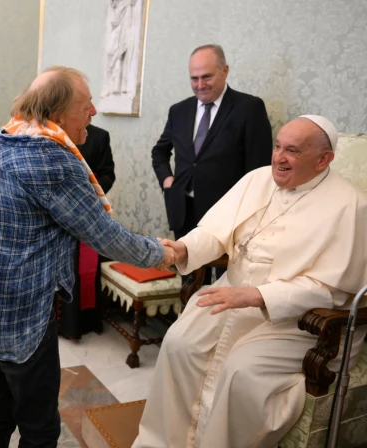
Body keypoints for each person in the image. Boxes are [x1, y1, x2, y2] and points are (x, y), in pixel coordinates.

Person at [0, 66, 174, 448]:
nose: (93, 112)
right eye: (86, 105)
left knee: (1, 409)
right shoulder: (51, 159)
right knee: (40, 428)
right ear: (57, 113)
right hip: (26, 322)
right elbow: (105, 236)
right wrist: (159, 253)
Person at [133, 115, 367, 448]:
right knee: (179, 343)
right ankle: (163, 442)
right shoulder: (257, 180)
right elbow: (216, 234)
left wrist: (259, 295)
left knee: (242, 371)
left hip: (296, 318)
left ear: (323, 159)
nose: (278, 158)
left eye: (293, 151)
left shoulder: (350, 206)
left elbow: (332, 289)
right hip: (232, 292)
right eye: (277, 146)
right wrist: (182, 249)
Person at [152, 44, 272, 284]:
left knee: (225, 282)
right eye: (194, 78)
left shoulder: (249, 108)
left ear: (225, 71)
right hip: (184, 209)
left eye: (207, 76)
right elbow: (160, 151)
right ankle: (187, 321)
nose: (200, 84)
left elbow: (259, 169)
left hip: (228, 214)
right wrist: (168, 181)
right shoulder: (180, 110)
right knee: (189, 277)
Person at [59, 124, 116, 339]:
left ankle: (82, 322)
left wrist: (88, 192)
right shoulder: (47, 132)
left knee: (82, 268)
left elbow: (108, 174)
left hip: (87, 211)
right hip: (54, 213)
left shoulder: (100, 135)